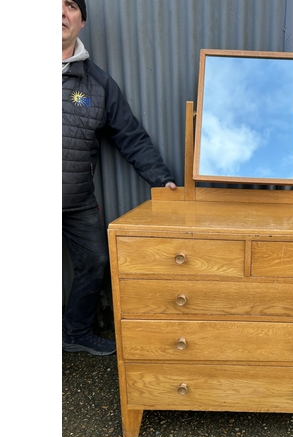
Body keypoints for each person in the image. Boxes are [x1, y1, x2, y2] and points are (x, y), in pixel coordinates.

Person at [62, 0, 177, 355]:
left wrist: (163, 181)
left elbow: (130, 135)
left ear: (82, 21)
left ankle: (75, 332)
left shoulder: (97, 84)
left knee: (96, 260)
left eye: (68, 5)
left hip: (76, 200)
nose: (58, 13)